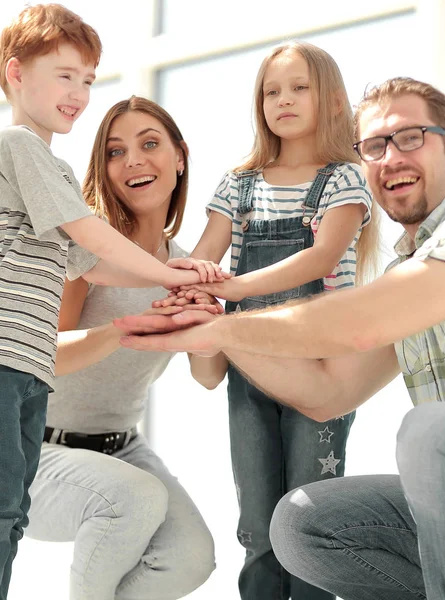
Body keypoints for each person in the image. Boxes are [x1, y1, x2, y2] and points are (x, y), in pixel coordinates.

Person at [115, 76, 445, 600]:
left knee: (435, 431)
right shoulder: (406, 270)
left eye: (411, 137)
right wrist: (213, 331)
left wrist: (228, 319)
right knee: (302, 522)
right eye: (376, 146)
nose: (392, 158)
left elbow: (360, 324)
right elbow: (327, 392)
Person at [0, 5, 222, 598]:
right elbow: (42, 352)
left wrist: (202, 318)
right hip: (41, 446)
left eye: (150, 144)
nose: (133, 161)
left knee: (190, 557)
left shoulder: (174, 264)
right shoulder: (77, 240)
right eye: (116, 151)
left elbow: (205, 376)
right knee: (131, 499)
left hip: (122, 446)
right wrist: (126, 327)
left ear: (179, 157)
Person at [157, 40, 378, 600]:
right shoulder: (239, 185)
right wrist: (183, 291)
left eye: (299, 87)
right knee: (257, 524)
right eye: (271, 90)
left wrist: (228, 287)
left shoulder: (345, 179)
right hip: (249, 371)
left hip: (324, 371)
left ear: (331, 101)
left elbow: (320, 258)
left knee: (310, 520)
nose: (283, 99)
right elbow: (203, 261)